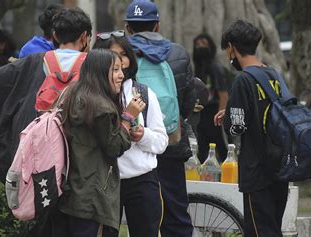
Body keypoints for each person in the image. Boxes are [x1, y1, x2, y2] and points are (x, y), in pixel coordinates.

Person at [0, 8, 92, 183]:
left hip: (38, 162)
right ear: (84, 37)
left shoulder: (31, 63)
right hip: (81, 164)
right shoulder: (97, 67)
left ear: (55, 36)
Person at [32, 48, 145, 236]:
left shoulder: (73, 94)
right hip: (91, 192)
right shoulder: (101, 107)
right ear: (101, 72)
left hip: (68, 188)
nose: (121, 75)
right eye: (115, 70)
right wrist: (128, 117)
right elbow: (114, 146)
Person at [124, 1, 196, 236]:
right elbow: (187, 104)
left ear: (127, 27)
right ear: (156, 26)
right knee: (175, 214)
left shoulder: (119, 55)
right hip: (171, 143)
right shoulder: (178, 53)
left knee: (136, 217)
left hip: (131, 148)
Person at [214, 20, 289, 236]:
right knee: (273, 227)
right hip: (280, 167)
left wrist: (229, 117)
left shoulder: (243, 80)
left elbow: (236, 128)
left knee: (259, 231)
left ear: (231, 47)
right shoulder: (274, 75)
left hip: (257, 170)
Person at [94, 31, 168, 237]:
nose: (119, 61)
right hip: (105, 182)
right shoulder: (92, 96)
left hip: (142, 182)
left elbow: (161, 141)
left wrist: (143, 135)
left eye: (123, 54)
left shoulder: (143, 93)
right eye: (112, 55)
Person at [193, 33, 233, 163]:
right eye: (198, 44)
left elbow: (223, 94)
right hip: (201, 114)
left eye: (204, 44)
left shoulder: (215, 68)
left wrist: (220, 117)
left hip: (214, 112)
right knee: (202, 149)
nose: (201, 47)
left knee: (221, 147)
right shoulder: (198, 69)